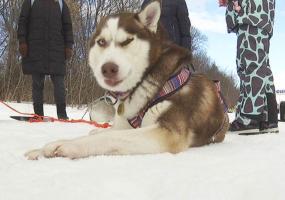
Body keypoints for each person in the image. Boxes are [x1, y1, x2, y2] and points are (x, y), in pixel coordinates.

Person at [220, 0, 278, 134]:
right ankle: (268, 118)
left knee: (250, 64)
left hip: (251, 12)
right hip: (258, 14)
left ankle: (250, 116)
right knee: (261, 65)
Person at [17, 0, 74, 119]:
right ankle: (38, 115)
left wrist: (68, 45)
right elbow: (23, 22)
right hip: (36, 48)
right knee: (37, 83)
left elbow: (68, 26)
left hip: (56, 49)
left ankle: (62, 115)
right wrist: (22, 41)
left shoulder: (61, 3)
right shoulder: (31, 1)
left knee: (59, 83)